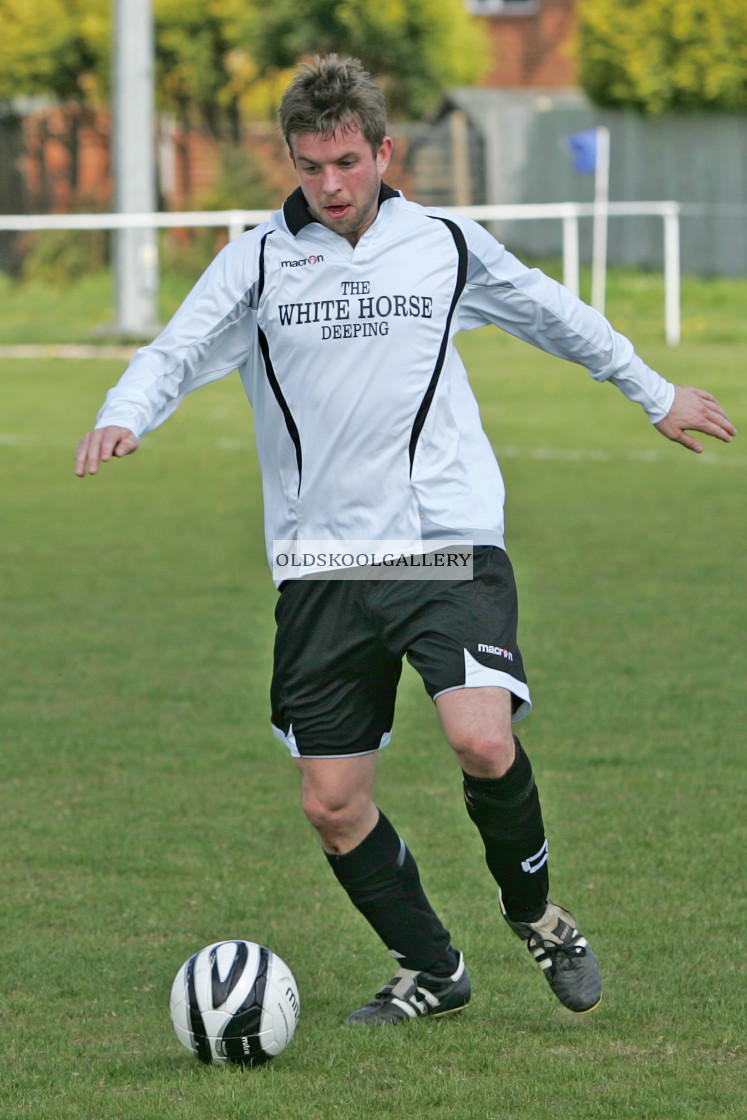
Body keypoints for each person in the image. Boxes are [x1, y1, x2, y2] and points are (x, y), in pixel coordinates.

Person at [76, 55, 736, 1026]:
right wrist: (125, 410)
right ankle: (433, 967)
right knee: (331, 803)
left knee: (479, 734)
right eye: (311, 166)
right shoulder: (257, 259)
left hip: (442, 539)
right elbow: (175, 347)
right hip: (321, 561)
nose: (332, 185)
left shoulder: (446, 244)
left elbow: (552, 311)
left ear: (383, 152)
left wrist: (653, 392)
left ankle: (539, 916)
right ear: (292, 164)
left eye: (347, 161)